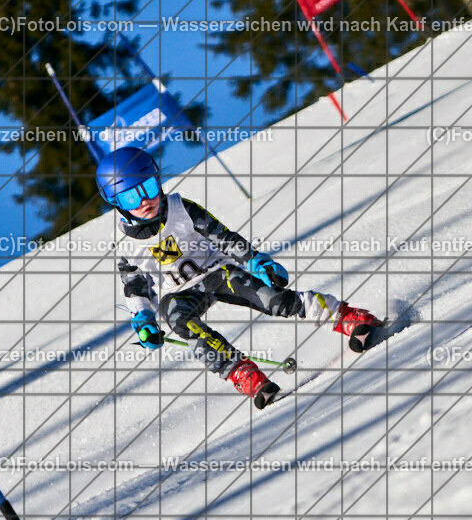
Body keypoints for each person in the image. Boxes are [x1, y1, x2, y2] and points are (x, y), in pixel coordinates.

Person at [96, 147, 382, 409]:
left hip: (217, 272)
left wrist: (256, 261)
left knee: (273, 300)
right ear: (116, 203)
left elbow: (224, 237)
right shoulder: (125, 247)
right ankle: (244, 374)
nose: (145, 200)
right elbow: (136, 291)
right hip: (179, 294)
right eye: (131, 197)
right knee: (179, 320)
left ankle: (345, 316)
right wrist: (144, 321)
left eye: (147, 187)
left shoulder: (181, 208)